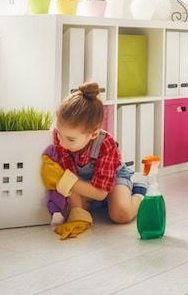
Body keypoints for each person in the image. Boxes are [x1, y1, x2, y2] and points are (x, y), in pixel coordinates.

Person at [40, 82, 146, 239]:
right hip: (82, 179)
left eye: (70, 139)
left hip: (111, 179)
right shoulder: (62, 138)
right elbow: (71, 173)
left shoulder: (105, 143)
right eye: (59, 134)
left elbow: (100, 192)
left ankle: (140, 194)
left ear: (94, 134)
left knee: (121, 214)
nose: (61, 143)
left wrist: (64, 180)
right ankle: (97, 204)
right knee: (68, 212)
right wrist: (77, 210)